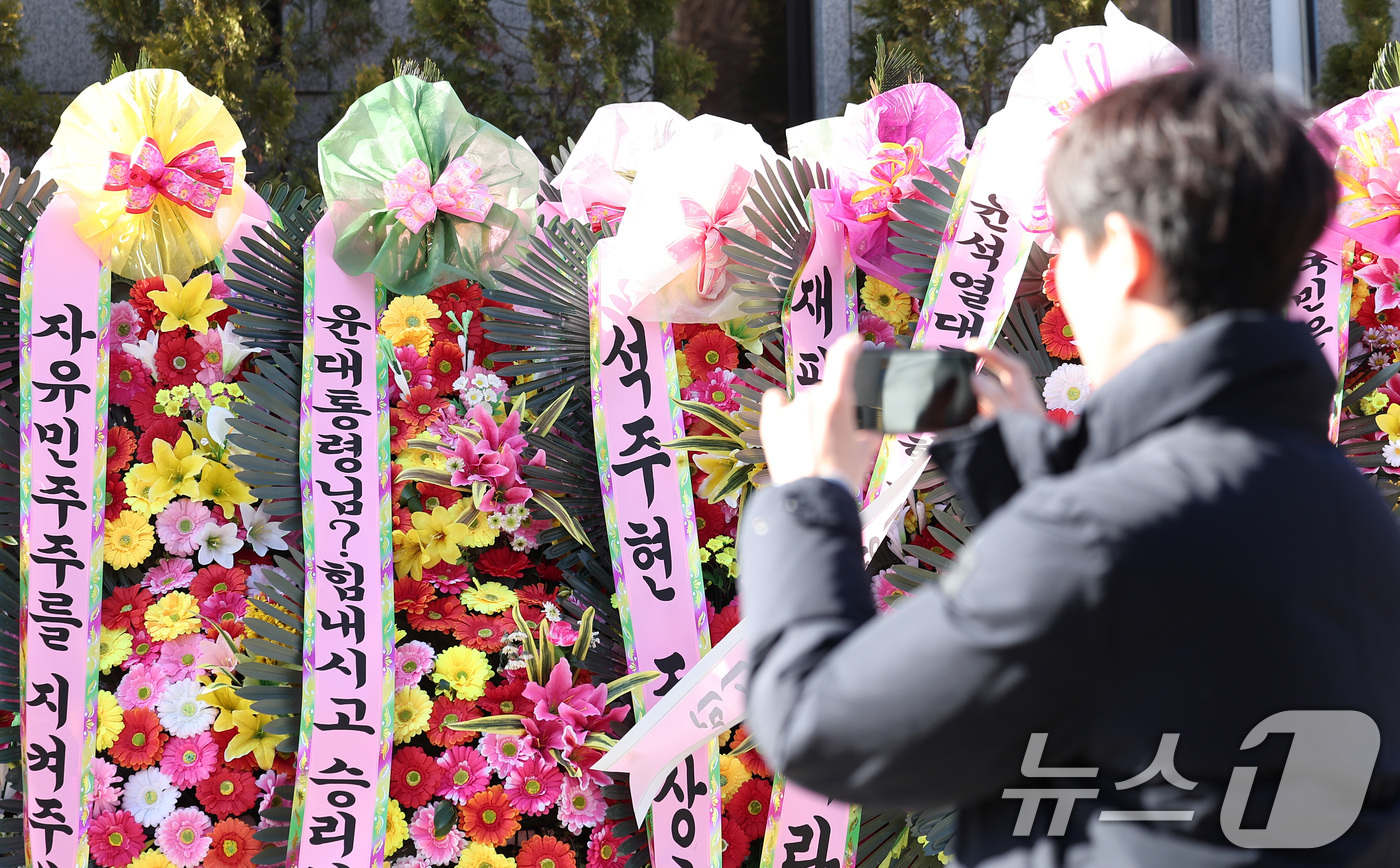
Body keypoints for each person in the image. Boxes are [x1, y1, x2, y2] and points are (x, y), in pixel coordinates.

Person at [737, 67, 1400, 867]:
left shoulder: (1097, 536)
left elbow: (822, 729)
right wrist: (1023, 475)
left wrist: (808, 501)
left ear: (1122, 253)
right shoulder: (1350, 514)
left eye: (1068, 244)